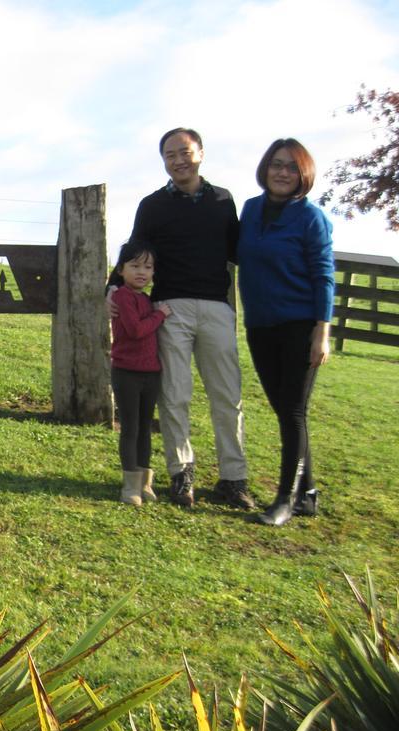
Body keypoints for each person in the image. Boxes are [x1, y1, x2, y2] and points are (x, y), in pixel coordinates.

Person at [128, 128, 254, 510]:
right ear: (163, 161)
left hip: (217, 307)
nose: (178, 160)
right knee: (175, 394)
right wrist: (113, 290)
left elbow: (238, 252)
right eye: (170, 155)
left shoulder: (222, 200)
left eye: (184, 152)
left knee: (227, 396)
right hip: (171, 307)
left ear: (200, 153)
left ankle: (234, 479)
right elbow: (135, 251)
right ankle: (181, 476)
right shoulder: (152, 205)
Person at [236, 138, 333, 526]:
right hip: (260, 325)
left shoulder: (312, 218)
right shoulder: (251, 209)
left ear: (302, 174)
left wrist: (320, 332)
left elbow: (324, 277)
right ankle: (307, 491)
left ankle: (284, 500)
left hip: (300, 326)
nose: (282, 172)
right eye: (276, 164)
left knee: (292, 410)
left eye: (291, 167)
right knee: (284, 409)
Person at [108, 240, 172, 505]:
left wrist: (155, 311)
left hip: (151, 373)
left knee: (145, 427)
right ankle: (129, 485)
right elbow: (135, 331)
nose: (141, 272)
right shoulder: (122, 296)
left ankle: (146, 482)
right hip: (126, 372)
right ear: (121, 270)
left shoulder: (146, 298)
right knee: (130, 428)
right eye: (134, 266)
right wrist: (160, 316)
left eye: (147, 267)